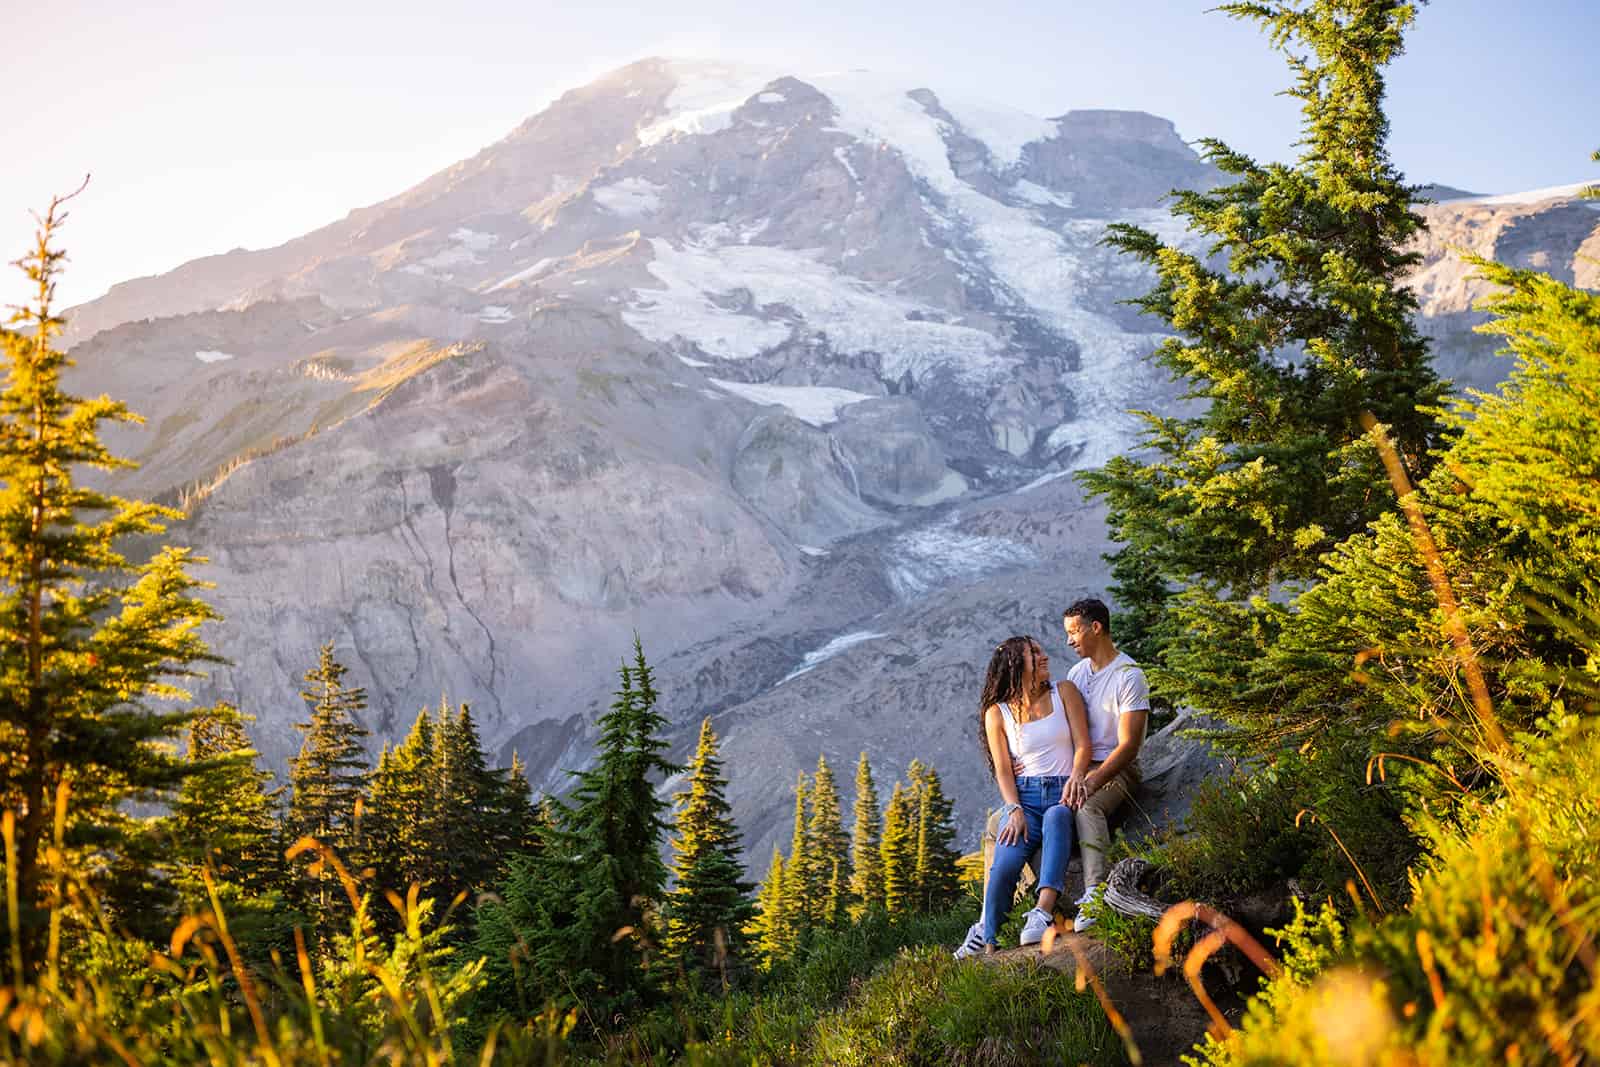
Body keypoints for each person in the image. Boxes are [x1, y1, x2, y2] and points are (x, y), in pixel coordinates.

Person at [954, 635, 1091, 959]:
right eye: (1035, 654)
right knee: (1004, 866)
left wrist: (1075, 776)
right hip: (1025, 798)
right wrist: (1013, 808)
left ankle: (1042, 912)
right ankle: (989, 941)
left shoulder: (1064, 693)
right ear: (1016, 665)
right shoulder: (997, 713)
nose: (1044, 657)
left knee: (1058, 817)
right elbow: (1003, 769)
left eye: (1041, 651)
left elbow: (1083, 744)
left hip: (1063, 790)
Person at [1061, 597, 1150, 932]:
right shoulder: (1076, 673)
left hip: (1118, 769)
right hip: (1080, 766)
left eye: (1074, 632)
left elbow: (1130, 746)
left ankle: (1096, 894)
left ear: (1095, 627)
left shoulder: (1129, 675)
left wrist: (1093, 781)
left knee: (1086, 807)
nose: (1069, 641)